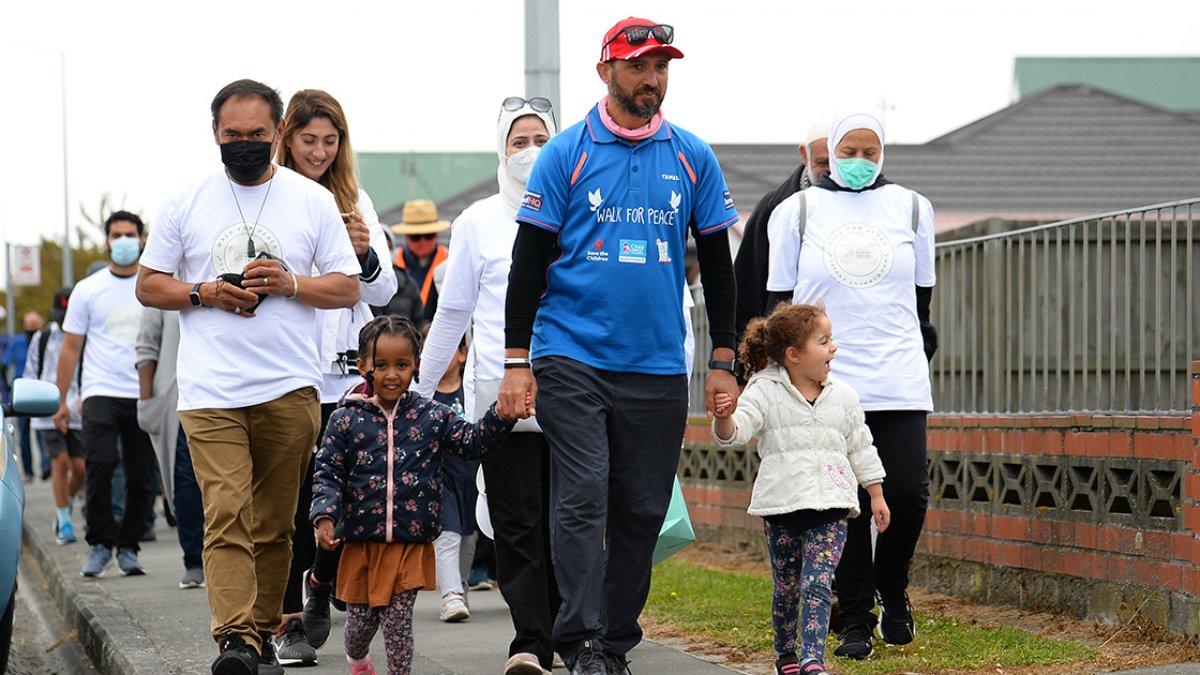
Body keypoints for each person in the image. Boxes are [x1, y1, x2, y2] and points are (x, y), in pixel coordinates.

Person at [498, 18, 741, 674]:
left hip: (657, 362)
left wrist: (725, 359)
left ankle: (613, 644)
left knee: (640, 508)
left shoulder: (693, 156)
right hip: (570, 355)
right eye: (638, 66)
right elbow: (528, 263)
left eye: (661, 67)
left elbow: (720, 268)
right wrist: (516, 361)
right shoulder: (566, 152)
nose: (651, 79)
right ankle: (577, 643)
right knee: (582, 491)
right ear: (606, 71)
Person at [135, 78, 362, 675]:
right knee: (226, 512)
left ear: (278, 133)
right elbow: (148, 283)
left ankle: (260, 636)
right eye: (232, 135)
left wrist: (289, 283)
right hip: (210, 391)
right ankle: (234, 638)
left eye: (257, 135)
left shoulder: (309, 200)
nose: (244, 144)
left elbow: (346, 286)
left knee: (274, 523)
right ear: (214, 134)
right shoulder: (186, 200)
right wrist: (203, 292)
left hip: (289, 387)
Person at [765, 112, 938, 660]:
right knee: (841, 502)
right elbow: (781, 307)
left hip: (898, 377)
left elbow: (922, 302)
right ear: (829, 152)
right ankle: (857, 615)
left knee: (906, 493)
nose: (859, 162)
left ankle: (893, 588)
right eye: (849, 151)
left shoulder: (913, 207)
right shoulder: (797, 212)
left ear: (883, 154)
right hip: (827, 383)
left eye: (870, 152)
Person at [414, 95, 561, 674]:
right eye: (518, 141)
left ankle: (567, 630)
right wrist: (421, 396)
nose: (530, 152)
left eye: (541, 140)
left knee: (566, 522)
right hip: (497, 403)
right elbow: (451, 316)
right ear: (500, 151)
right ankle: (530, 639)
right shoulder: (475, 222)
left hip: (571, 397)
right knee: (515, 523)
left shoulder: (579, 209)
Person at [309, 316, 520, 675]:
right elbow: (327, 471)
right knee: (359, 628)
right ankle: (358, 662)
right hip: (361, 542)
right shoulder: (344, 419)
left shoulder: (431, 416)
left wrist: (501, 413)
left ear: (416, 366)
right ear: (363, 366)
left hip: (410, 543)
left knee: (397, 624)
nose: (392, 375)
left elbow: (472, 442)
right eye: (382, 365)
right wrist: (325, 515)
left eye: (402, 365)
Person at [272, 88, 399, 667]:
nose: (319, 152)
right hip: (289, 367)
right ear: (286, 139)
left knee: (346, 495)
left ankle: (322, 582)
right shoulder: (268, 200)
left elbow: (384, 292)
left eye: (330, 141)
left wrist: (365, 254)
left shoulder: (355, 199)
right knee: (296, 499)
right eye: (308, 140)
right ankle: (289, 620)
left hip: (345, 375)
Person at [711, 303, 890, 675]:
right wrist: (725, 417)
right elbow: (737, 431)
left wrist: (875, 493)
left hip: (832, 507)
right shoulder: (764, 389)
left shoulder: (844, 395)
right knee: (788, 590)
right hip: (782, 509)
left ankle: (812, 660)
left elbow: (861, 445)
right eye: (823, 342)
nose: (833, 348)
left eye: (831, 340)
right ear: (793, 355)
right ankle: (787, 657)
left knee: (817, 583)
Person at [53, 210, 157, 579]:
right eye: (117, 234)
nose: (124, 240)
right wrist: (61, 399)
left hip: (145, 392)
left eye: (130, 234)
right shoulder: (89, 289)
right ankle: (99, 543)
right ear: (107, 241)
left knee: (142, 476)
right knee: (98, 465)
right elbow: (70, 349)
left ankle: (128, 547)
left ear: (142, 240)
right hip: (100, 391)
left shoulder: (154, 284)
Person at [733, 120, 830, 340]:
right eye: (822, 162)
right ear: (805, 155)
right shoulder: (775, 208)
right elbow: (748, 288)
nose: (832, 171)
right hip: (789, 351)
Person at [135, 306, 206, 590]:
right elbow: (146, 346)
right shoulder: (165, 280)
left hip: (231, 391)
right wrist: (146, 400)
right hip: (181, 397)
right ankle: (194, 560)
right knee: (186, 478)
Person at [27, 290, 84, 544]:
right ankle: (63, 521)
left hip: (77, 411)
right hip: (48, 410)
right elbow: (32, 371)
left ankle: (68, 502)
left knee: (81, 468)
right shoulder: (44, 337)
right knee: (59, 462)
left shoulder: (84, 335)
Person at [390, 199, 449, 324]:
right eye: (415, 237)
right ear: (406, 236)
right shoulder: (391, 264)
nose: (422, 242)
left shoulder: (450, 262)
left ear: (436, 234)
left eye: (428, 235)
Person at [7, 311, 46, 481]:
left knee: (42, 431)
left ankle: (46, 467)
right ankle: (28, 471)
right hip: (22, 394)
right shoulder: (17, 342)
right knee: (23, 433)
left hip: (40, 392)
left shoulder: (44, 340)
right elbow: (5, 364)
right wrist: (9, 387)